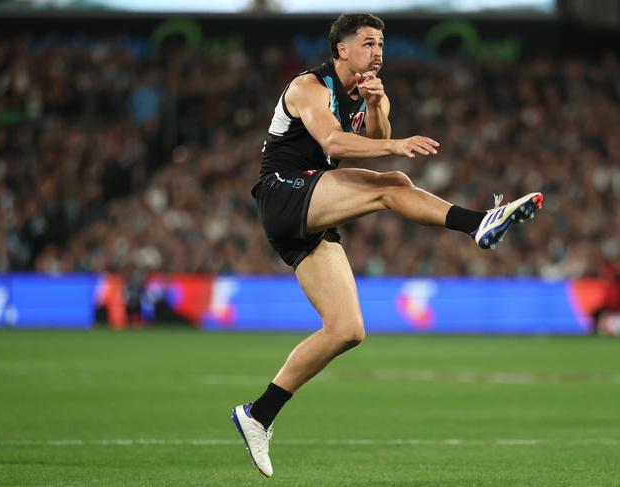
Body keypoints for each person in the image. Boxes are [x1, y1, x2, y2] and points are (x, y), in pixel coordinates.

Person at [231, 13, 543, 477]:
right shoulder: (308, 87)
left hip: (311, 205)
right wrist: (396, 143)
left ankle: (258, 414)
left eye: (381, 44)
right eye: (368, 43)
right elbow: (336, 140)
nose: (377, 52)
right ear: (341, 49)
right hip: (284, 190)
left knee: (347, 330)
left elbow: (370, 140)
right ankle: (480, 222)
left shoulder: (370, 90)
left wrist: (378, 110)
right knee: (392, 183)